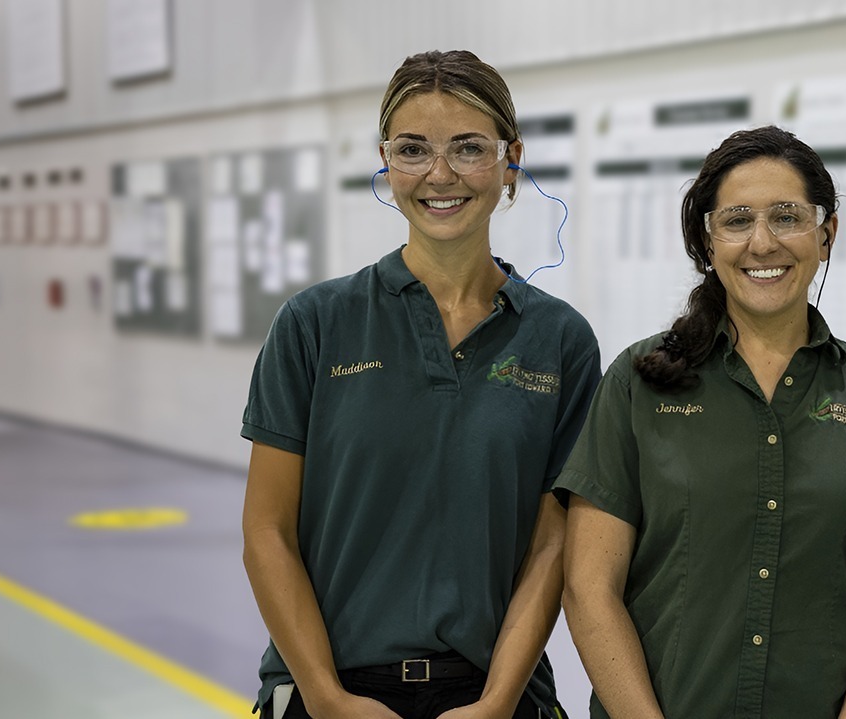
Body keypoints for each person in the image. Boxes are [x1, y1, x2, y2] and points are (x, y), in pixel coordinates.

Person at [240, 50, 601, 719]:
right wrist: (324, 697)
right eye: (413, 149)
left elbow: (553, 544)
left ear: (510, 159)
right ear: (385, 160)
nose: (440, 174)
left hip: (497, 690)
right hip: (331, 685)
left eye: (468, 147)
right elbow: (267, 531)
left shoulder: (560, 341)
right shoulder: (314, 324)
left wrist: (497, 702)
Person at [556, 125, 846, 719]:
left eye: (787, 216)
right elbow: (589, 590)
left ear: (826, 233)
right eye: (737, 220)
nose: (763, 243)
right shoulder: (636, 385)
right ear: (708, 242)